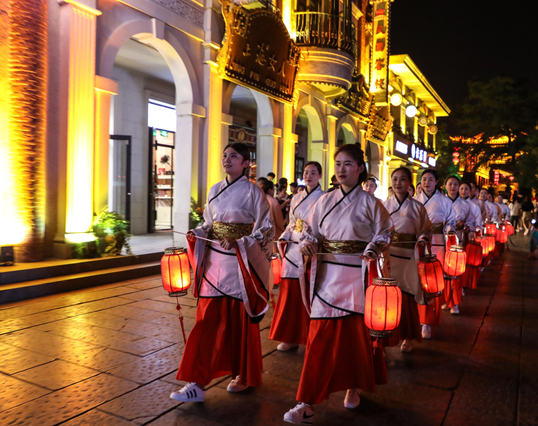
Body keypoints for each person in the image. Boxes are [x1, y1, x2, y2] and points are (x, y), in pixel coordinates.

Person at [283, 143, 393, 424]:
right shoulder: (324, 201)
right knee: (319, 337)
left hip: (357, 277)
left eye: (347, 164)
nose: (341, 170)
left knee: (355, 338)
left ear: (360, 169)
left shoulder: (372, 203)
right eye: (338, 164)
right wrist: (307, 243)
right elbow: (309, 231)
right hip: (328, 277)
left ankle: (353, 386)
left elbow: (384, 234)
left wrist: (373, 248)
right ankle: (306, 400)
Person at [171, 142, 274, 403]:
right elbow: (208, 223)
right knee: (206, 323)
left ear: (246, 163)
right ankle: (196, 382)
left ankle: (242, 373)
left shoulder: (254, 192)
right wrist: (199, 232)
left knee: (240, 323)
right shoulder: (215, 189)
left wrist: (240, 241)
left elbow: (265, 230)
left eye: (234, 156)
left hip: (239, 266)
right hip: (215, 265)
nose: (227, 160)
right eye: (224, 156)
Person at [270, 162, 325, 352]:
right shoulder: (296, 197)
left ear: (320, 175)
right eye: (305, 172)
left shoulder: (324, 198)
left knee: (308, 290)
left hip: (310, 247)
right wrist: (284, 235)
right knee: (289, 291)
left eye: (313, 173)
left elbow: (323, 227)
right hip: (293, 246)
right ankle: (290, 336)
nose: (308, 176)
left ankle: (310, 335)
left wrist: (310, 240)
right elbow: (292, 223)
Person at [384, 167, 431, 353]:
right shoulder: (384, 205)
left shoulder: (417, 207)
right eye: (394, 179)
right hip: (388, 255)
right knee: (388, 297)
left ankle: (408, 337)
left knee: (407, 296)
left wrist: (421, 239)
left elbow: (425, 229)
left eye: (402, 179)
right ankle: (388, 337)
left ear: (410, 183)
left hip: (409, 256)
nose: (397, 183)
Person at [414, 169, 456, 339]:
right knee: (417, 283)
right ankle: (418, 319)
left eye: (430, 179)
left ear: (436, 182)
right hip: (417, 245)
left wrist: (448, 230)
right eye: (424, 179)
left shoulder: (444, 201)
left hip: (437, 243)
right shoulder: (414, 201)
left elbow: (451, 220)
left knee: (432, 283)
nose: (426, 182)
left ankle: (427, 322)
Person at [443, 175, 473, 315]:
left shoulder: (466, 205)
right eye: (450, 184)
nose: (453, 187)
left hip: (457, 239)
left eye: (456, 184)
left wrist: (466, 226)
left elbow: (471, 222)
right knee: (443, 272)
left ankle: (454, 302)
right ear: (445, 185)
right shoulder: (440, 201)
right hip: (440, 240)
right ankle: (445, 299)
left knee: (455, 271)